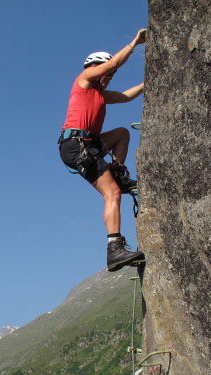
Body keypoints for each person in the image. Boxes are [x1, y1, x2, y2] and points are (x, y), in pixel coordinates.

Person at [58, 28, 146, 272]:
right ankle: (114, 248)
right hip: (77, 145)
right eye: (107, 70)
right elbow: (115, 61)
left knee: (122, 133)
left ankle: (117, 170)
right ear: (95, 67)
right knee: (113, 194)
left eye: (113, 73)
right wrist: (135, 43)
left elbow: (127, 96)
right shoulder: (84, 80)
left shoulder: (99, 94)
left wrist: (148, 83)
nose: (111, 74)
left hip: (86, 144)